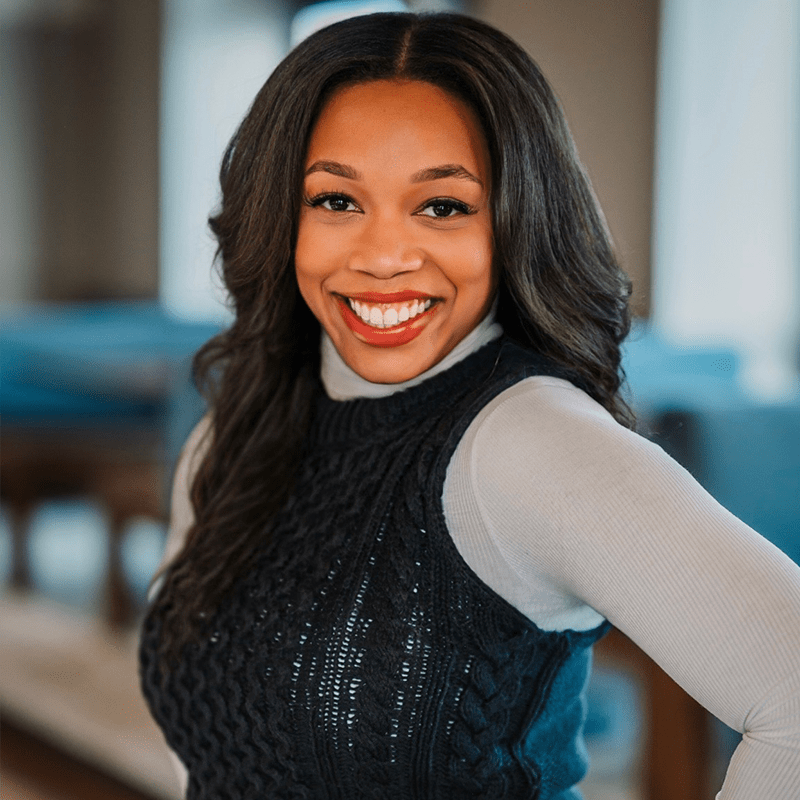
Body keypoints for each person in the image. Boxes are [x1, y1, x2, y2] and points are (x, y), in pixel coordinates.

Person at [139, 11, 800, 800]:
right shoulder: (235, 431)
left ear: (517, 218)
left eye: (443, 206)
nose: (383, 257)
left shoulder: (525, 440)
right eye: (336, 201)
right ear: (282, 216)